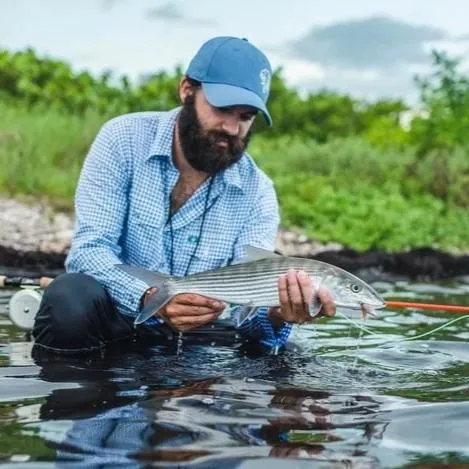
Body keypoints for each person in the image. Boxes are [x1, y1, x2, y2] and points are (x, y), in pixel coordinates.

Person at [32, 36, 336, 355]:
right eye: (222, 108)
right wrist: (150, 296)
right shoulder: (122, 140)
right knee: (69, 297)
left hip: (202, 340)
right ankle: (76, 399)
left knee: (279, 353)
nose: (232, 128)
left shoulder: (258, 192)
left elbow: (249, 318)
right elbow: (89, 251)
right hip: (120, 320)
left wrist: (278, 313)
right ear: (186, 90)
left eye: (245, 116)